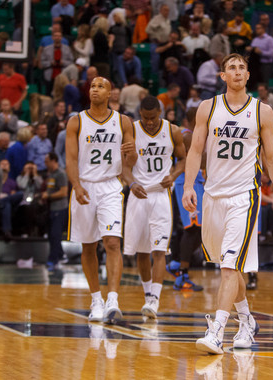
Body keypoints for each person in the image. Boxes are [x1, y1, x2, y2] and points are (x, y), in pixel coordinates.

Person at [182, 53, 273, 354]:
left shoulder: (262, 111)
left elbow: (272, 159)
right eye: (231, 67)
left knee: (231, 267)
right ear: (222, 76)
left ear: (248, 77)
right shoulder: (208, 108)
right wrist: (189, 185)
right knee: (228, 267)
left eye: (241, 67)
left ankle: (217, 330)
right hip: (212, 195)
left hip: (244, 196)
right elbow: (195, 150)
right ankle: (246, 320)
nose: (236, 71)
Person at [66, 77, 137, 324]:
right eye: (93, 86)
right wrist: (76, 184)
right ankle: (96, 299)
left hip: (110, 186)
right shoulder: (76, 121)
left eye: (100, 86)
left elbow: (131, 160)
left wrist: (133, 154)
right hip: (84, 184)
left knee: (112, 242)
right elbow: (71, 159)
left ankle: (113, 299)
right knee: (88, 245)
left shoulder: (123, 121)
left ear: (110, 93)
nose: (95, 89)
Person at [122, 95, 186, 318]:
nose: (149, 122)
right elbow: (123, 166)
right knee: (141, 251)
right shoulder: (131, 130)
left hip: (161, 195)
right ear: (140, 114)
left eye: (153, 117)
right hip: (138, 194)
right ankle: (147, 294)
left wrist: (175, 175)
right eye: (145, 118)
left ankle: (155, 299)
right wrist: (131, 183)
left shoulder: (173, 131)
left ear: (160, 112)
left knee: (159, 250)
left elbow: (184, 159)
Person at [171, 107, 205, 291]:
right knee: (192, 229)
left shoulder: (191, 134)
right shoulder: (189, 136)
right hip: (188, 183)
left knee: (199, 230)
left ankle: (177, 265)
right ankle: (182, 273)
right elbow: (203, 161)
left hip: (195, 184)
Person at [42, 152, 68, 271]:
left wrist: (48, 196)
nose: (45, 164)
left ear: (54, 161)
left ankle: (53, 260)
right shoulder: (50, 174)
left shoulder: (61, 174)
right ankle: (60, 256)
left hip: (60, 208)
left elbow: (63, 192)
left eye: (47, 161)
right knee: (51, 235)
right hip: (51, 209)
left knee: (55, 234)